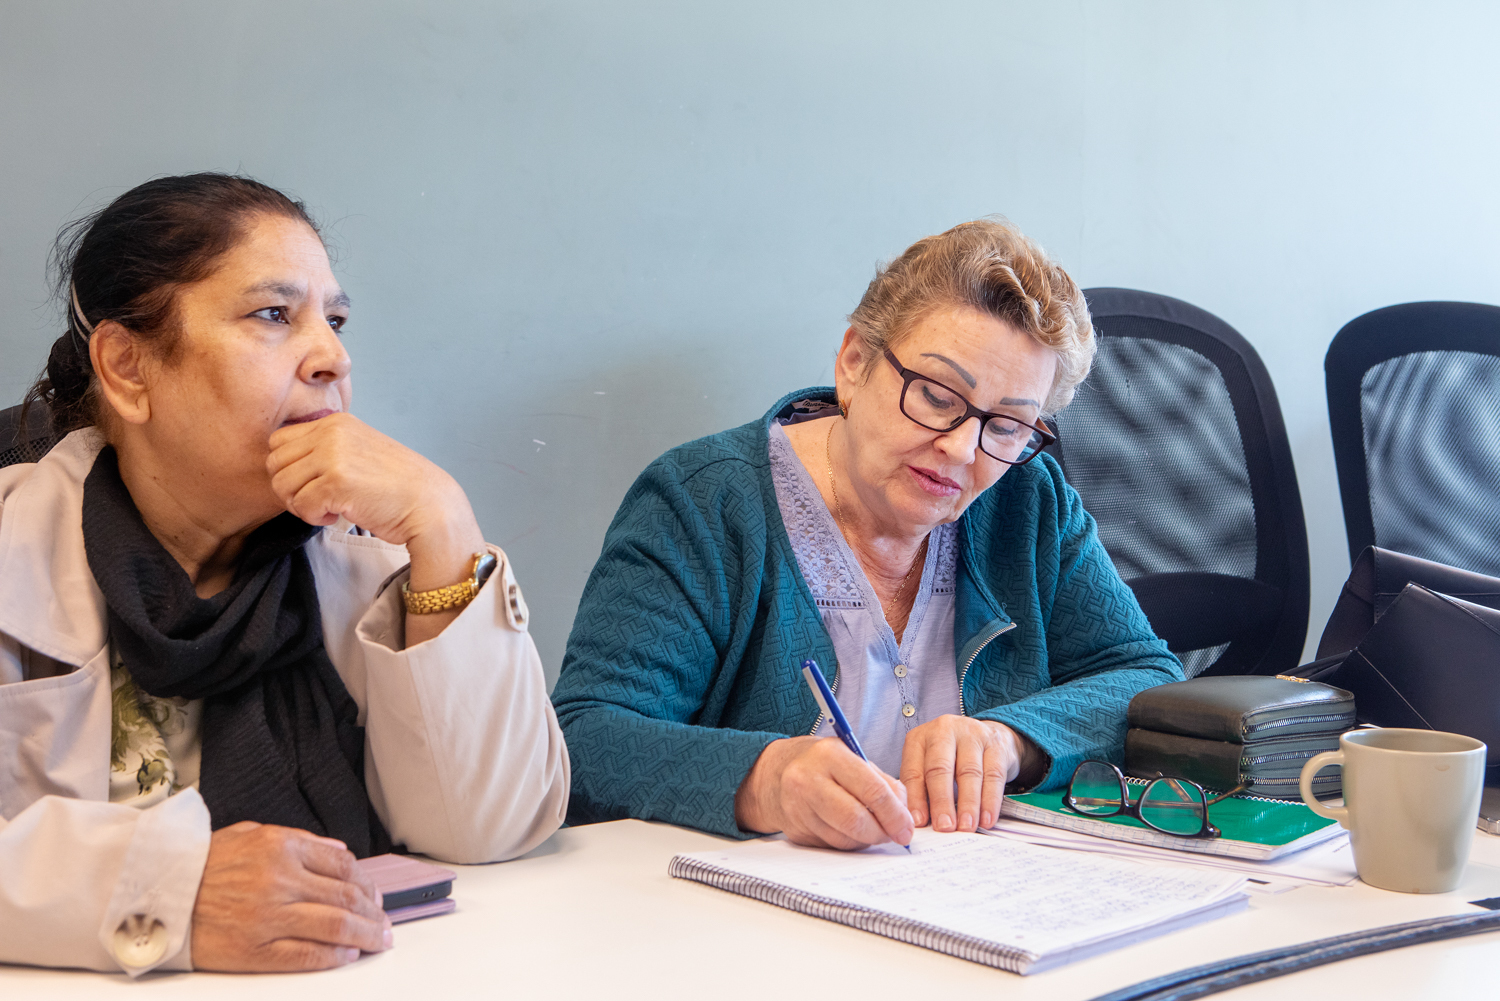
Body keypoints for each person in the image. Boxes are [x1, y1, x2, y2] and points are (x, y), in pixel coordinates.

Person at [0, 174, 569, 976]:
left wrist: (444, 524)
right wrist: (164, 890)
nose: (333, 356)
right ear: (127, 368)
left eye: (334, 320)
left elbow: (488, 830)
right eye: (274, 314)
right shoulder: (15, 549)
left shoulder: (370, 564)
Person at [552, 218, 1182, 850]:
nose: (963, 448)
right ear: (854, 365)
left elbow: (1146, 679)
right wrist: (764, 780)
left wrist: (1010, 739)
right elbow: (585, 737)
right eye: (937, 396)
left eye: (1007, 426)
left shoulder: (1029, 498)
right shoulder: (702, 501)